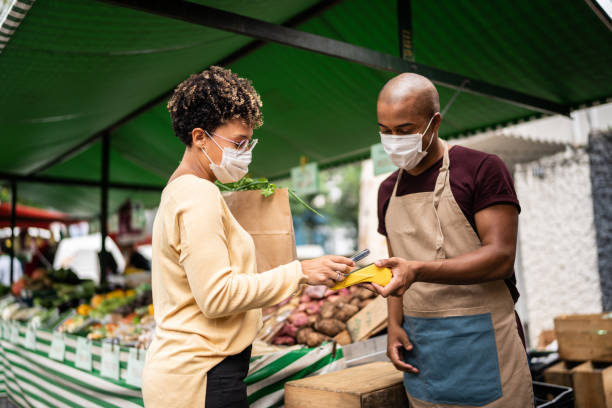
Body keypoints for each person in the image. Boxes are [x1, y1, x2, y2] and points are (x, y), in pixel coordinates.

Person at [142, 66, 354, 408]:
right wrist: (299, 272)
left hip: (190, 372)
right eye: (238, 143)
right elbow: (216, 296)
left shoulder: (180, 191)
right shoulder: (197, 195)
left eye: (248, 142)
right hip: (201, 376)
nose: (245, 153)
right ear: (199, 138)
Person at [368, 73, 534, 407]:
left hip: (485, 342)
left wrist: (418, 269)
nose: (393, 140)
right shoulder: (387, 190)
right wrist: (394, 324)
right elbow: (395, 266)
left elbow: (500, 256)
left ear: (435, 122)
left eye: (404, 130)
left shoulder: (481, 169)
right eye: (385, 130)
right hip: (423, 347)